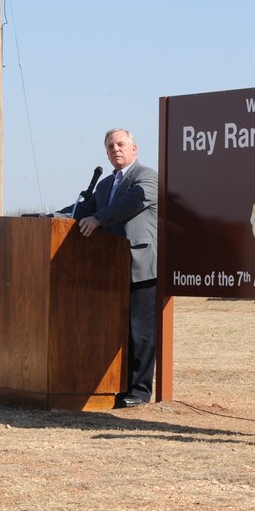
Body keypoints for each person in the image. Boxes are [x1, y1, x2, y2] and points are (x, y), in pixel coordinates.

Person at [73, 128, 158, 408]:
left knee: (140, 331)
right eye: (110, 147)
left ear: (134, 148)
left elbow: (130, 204)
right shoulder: (104, 184)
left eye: (121, 144)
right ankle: (116, 386)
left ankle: (140, 391)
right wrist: (50, 216)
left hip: (141, 265)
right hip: (110, 268)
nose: (115, 150)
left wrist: (97, 219)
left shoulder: (147, 177)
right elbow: (86, 210)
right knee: (115, 330)